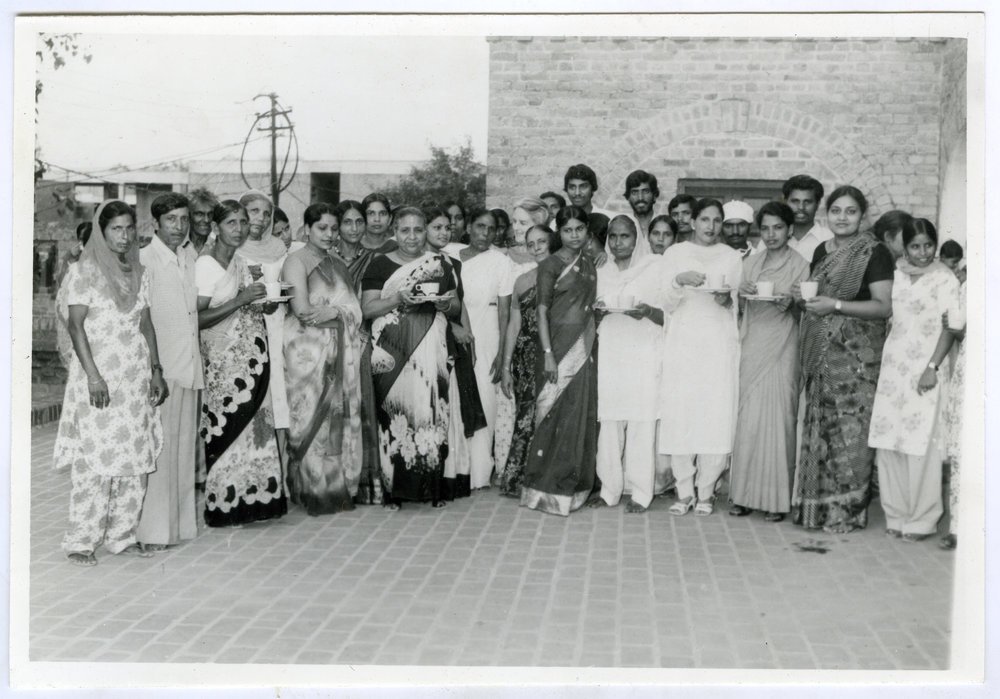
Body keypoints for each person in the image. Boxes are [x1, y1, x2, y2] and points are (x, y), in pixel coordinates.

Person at [54, 199, 168, 566]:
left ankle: (122, 536)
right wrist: (93, 375)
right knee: (95, 458)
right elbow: (75, 326)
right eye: (116, 229)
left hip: (134, 378)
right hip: (99, 376)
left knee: (135, 457)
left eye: (129, 228)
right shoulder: (84, 272)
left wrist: (156, 369)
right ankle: (81, 540)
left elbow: (146, 324)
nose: (124, 236)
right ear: (101, 232)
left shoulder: (139, 271)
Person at [792, 186, 893, 534]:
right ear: (827, 214)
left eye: (851, 211)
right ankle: (816, 510)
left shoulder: (875, 252)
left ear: (862, 217)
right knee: (820, 430)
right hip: (822, 351)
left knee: (850, 434)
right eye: (836, 210)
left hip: (856, 359)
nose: (842, 217)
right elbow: (818, 291)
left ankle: (847, 513)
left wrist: (833, 305)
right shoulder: (822, 249)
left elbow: (883, 306)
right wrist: (805, 296)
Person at [361, 207, 460, 509]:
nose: (412, 237)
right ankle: (393, 492)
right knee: (393, 415)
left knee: (431, 413)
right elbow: (367, 310)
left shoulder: (441, 265)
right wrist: (396, 299)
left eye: (418, 230)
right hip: (391, 353)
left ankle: (432, 489)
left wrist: (443, 304)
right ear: (395, 231)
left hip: (430, 350)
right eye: (405, 230)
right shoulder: (379, 265)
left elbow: (455, 307)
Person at [196, 200, 287, 526]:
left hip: (253, 359)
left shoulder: (240, 261)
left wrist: (263, 306)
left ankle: (255, 502)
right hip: (225, 367)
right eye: (231, 222)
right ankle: (225, 505)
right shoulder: (206, 265)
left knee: (254, 431)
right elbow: (197, 317)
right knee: (229, 431)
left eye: (243, 222)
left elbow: (245, 306)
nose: (239, 229)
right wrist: (241, 300)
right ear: (216, 227)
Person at [869, 218, 958, 541]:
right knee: (889, 440)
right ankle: (895, 513)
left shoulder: (945, 278)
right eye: (915, 246)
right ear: (904, 247)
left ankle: (922, 519)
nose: (922, 253)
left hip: (926, 368)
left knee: (920, 442)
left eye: (928, 246)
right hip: (894, 368)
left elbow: (950, 327)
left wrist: (932, 367)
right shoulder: (896, 275)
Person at [657, 198, 743, 516]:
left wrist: (726, 299)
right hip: (683, 346)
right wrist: (678, 281)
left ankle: (706, 491)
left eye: (717, 221)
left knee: (715, 417)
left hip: (719, 348)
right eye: (704, 220)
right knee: (681, 417)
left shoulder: (733, 257)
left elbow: (738, 304)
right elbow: (664, 301)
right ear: (692, 222)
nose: (710, 227)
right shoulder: (675, 254)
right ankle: (684, 491)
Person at [728, 202, 809, 522]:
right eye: (765, 228)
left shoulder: (801, 264)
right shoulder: (750, 263)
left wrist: (793, 303)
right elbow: (735, 306)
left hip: (783, 345)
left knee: (779, 418)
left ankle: (776, 500)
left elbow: (807, 308)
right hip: (753, 344)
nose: (771, 234)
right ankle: (743, 496)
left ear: (790, 230)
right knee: (748, 418)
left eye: (778, 227)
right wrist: (739, 293)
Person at [282, 203, 364, 515]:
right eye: (322, 228)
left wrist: (336, 312)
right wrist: (337, 314)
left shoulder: (338, 263)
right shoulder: (295, 261)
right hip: (306, 352)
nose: (329, 234)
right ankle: (310, 490)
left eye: (333, 228)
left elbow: (356, 309)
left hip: (338, 348)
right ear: (307, 229)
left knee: (336, 420)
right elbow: (302, 310)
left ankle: (333, 487)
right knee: (307, 421)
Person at [520, 206, 598, 516]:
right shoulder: (550, 265)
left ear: (587, 232)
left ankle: (572, 491)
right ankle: (543, 489)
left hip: (584, 349)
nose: (574, 235)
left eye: (580, 229)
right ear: (559, 232)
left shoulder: (590, 263)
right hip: (554, 350)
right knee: (551, 414)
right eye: (568, 230)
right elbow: (540, 311)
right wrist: (549, 354)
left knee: (576, 416)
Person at [135, 192, 201, 551]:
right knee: (158, 453)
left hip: (189, 366)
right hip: (161, 370)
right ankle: (152, 533)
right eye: (171, 220)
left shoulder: (189, 256)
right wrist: (153, 369)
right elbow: (142, 321)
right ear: (155, 224)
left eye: (184, 219)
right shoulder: (145, 260)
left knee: (182, 451)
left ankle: (179, 528)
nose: (179, 227)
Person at [592, 216, 663, 513]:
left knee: (641, 423)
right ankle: (609, 489)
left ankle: (642, 492)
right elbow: (593, 312)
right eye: (614, 236)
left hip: (643, 353)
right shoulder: (601, 270)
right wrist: (598, 312)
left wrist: (645, 310)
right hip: (612, 351)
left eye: (625, 236)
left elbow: (666, 314)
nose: (619, 243)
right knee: (609, 422)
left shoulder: (654, 268)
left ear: (637, 239)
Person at [424, 203, 484, 499]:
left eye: (447, 227)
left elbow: (459, 303)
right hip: (426, 343)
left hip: (452, 344)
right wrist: (452, 329)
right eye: (437, 227)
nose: (444, 232)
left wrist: (467, 337)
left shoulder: (452, 262)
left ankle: (452, 476)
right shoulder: (415, 262)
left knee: (455, 407)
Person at [454, 209, 514, 488]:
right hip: (453, 332)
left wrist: (502, 352)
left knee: (483, 400)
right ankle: (456, 470)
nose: (485, 234)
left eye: (492, 229)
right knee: (455, 399)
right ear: (468, 226)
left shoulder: (500, 261)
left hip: (488, 334)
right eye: (480, 226)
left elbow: (505, 310)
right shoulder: (451, 256)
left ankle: (479, 473)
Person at [236, 190, 293, 481]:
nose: (260, 218)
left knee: (279, 399)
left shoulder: (279, 248)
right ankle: (249, 473)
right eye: (253, 211)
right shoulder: (231, 247)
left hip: (278, 326)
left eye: (266, 213)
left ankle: (277, 476)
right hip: (244, 331)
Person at [494, 197, 552, 475]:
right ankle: (515, 473)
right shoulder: (508, 262)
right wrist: (504, 361)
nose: (516, 227)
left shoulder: (558, 262)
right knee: (518, 413)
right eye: (514, 221)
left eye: (523, 222)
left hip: (553, 348)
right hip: (521, 350)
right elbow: (507, 317)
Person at [332, 199, 383, 503]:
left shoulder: (376, 259)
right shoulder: (325, 259)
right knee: (334, 408)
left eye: (358, 222)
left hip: (363, 340)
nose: (354, 228)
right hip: (331, 340)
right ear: (337, 226)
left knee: (362, 405)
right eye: (347, 222)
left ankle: (365, 483)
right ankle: (335, 480)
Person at [940, 278, 966, 550]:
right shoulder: (968, 286)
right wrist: (956, 328)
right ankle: (958, 527)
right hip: (972, 373)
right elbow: (961, 332)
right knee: (963, 451)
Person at [782, 174, 833, 262]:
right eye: (795, 201)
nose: (801, 207)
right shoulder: (772, 238)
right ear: (785, 202)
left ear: (817, 204)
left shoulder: (829, 239)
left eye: (807, 202)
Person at [623, 169, 660, 240]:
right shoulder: (622, 226)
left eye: (646, 191)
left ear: (654, 195)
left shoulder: (665, 225)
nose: (640, 198)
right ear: (628, 197)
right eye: (634, 192)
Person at [55, 221, 92, 289]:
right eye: (81, 239)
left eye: (87, 239)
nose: (84, 243)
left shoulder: (99, 256)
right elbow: (61, 283)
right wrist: (70, 258)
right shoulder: (71, 255)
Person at [186, 187, 218, 254]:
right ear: (188, 215)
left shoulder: (219, 245)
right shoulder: (178, 245)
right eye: (200, 214)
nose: (206, 220)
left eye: (210, 214)